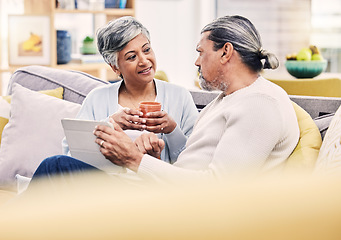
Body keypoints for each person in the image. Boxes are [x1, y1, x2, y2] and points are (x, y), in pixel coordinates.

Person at [31, 15, 299, 184]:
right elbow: (192, 163)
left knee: (53, 167)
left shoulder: (260, 104)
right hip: (153, 189)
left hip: (167, 203)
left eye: (200, 52)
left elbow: (220, 191)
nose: (195, 61)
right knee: (56, 166)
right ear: (116, 67)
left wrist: (135, 159)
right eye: (131, 56)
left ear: (226, 52)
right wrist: (151, 157)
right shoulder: (227, 99)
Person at [62, 16, 199, 164]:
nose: (144, 61)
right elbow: (71, 154)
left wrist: (172, 131)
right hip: (107, 184)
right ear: (115, 67)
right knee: (55, 163)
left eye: (146, 50)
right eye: (132, 57)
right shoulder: (97, 98)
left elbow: (195, 161)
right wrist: (110, 124)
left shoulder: (179, 96)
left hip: (155, 184)